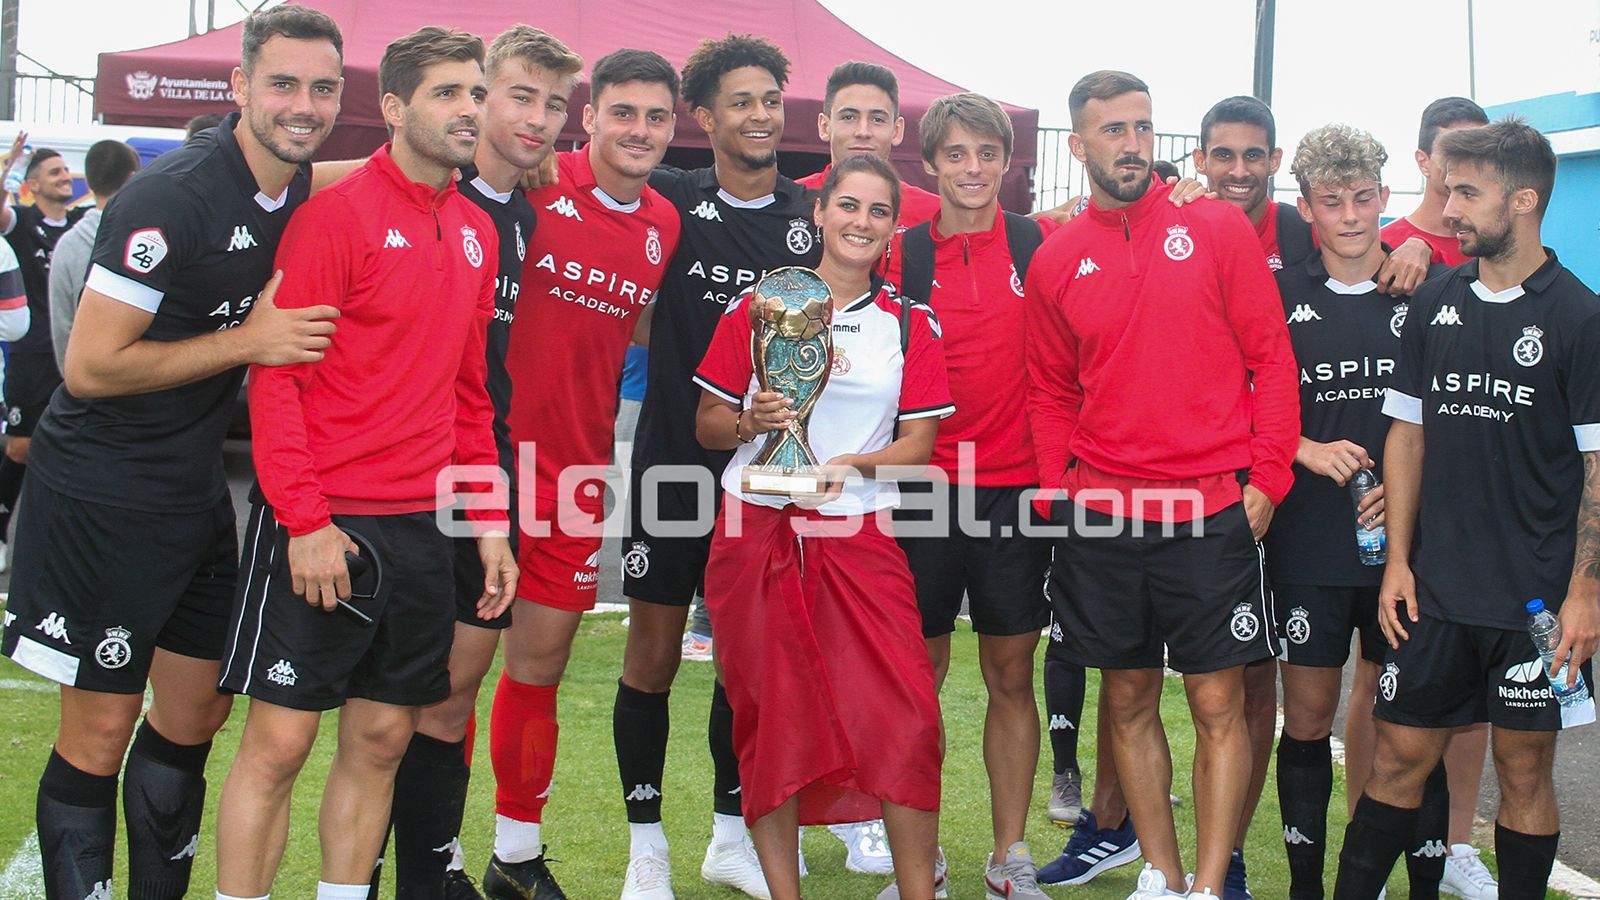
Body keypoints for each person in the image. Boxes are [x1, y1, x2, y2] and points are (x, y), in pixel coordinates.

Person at [0, 7, 344, 897]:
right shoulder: (171, 196)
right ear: (239, 88)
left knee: (196, 712)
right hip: (99, 496)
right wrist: (249, 342)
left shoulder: (288, 189)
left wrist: (493, 161)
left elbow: (368, 174)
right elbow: (90, 366)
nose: (302, 105)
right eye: (282, 83)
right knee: (101, 730)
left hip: (191, 495)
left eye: (322, 87)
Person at [212, 27, 516, 899]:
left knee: (382, 740)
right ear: (391, 108)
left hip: (421, 529)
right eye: (449, 93)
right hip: (322, 524)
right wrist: (304, 522)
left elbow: (469, 399)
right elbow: (276, 382)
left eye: (476, 91)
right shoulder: (335, 218)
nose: (470, 109)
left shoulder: (474, 232)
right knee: (278, 746)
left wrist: (486, 522)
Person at [304, 24, 570, 900]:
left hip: (474, 471)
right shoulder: (398, 195)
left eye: (551, 102)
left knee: (453, 689)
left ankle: (432, 870)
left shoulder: (523, 209)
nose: (531, 118)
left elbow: (474, 383)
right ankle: (371, 873)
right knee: (354, 718)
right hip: (376, 485)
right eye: (514, 95)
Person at [1026, 70, 1298, 900]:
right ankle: (1161, 872)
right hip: (1104, 517)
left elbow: (1271, 359)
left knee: (1220, 704)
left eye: (1142, 128)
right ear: (1079, 146)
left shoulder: (1214, 227)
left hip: (1210, 510)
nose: (1133, 145)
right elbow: (1049, 389)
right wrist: (1055, 493)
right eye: (1113, 131)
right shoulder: (1058, 257)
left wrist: (1270, 476)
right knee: (1130, 698)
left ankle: (1209, 886)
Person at [1335, 118, 1600, 898]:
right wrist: (1398, 565)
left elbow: (1597, 465)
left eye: (1467, 193)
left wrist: (1586, 593)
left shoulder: (1579, 318)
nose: (1449, 208)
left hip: (1536, 603)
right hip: (1435, 593)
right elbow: (1406, 437)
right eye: (1449, 188)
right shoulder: (1437, 299)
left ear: (1521, 200)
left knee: (1523, 773)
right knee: (1395, 760)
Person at [693, 152, 952, 900]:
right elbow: (709, 425)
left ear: (893, 227)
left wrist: (853, 466)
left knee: (905, 716)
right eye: (847, 206)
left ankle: (916, 893)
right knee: (770, 718)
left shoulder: (908, 320)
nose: (860, 223)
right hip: (756, 532)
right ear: (819, 214)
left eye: (877, 211)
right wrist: (751, 417)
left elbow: (919, 447)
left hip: (857, 533)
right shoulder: (755, 307)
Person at [614, 34, 820, 899]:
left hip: (772, 469)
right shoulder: (666, 195)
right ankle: (645, 846)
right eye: (741, 101)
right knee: (654, 654)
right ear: (704, 117)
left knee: (749, 657)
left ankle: (732, 833)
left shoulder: (813, 215)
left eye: (771, 99)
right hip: (673, 457)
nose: (761, 115)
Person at [484, 47, 681, 900]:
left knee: (541, 664)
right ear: (589, 116)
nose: (639, 131)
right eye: (623, 113)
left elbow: (632, 328)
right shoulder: (533, 178)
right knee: (448, 678)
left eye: (657, 117)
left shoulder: (664, 224)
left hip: (577, 470)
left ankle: (514, 855)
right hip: (480, 457)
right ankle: (423, 857)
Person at [1269, 124, 1452, 900]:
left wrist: (1416, 490)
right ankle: (1308, 888)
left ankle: (1402, 885)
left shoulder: (1430, 291)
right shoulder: (1279, 293)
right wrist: (1304, 447)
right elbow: (1241, 404)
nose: (1350, 215)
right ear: (1305, 205)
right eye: (1332, 201)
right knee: (1308, 721)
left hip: (1405, 551)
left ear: (1387, 197)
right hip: (1308, 542)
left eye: (1364, 198)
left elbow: (1459, 418)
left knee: (1408, 730)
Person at [885, 91, 1055, 900]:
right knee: (915, 682)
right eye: (956, 154)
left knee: (1011, 675)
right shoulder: (899, 253)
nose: (974, 168)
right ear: (931, 164)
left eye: (987, 153)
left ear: (1007, 161)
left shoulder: (1037, 242)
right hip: (920, 490)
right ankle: (923, 863)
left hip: (1016, 488)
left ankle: (1008, 852)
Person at [0, 142, 88, 568]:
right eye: (54, 172)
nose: (64, 176)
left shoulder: (79, 226)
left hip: (72, 352)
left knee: (70, 447)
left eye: (65, 170)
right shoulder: (22, 222)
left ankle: (55, 546)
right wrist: (8, 169)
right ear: (33, 185)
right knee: (20, 447)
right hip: (32, 354)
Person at [797, 61, 940, 234]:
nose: (863, 132)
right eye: (849, 117)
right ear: (824, 126)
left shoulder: (934, 214)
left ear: (897, 130)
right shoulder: (791, 202)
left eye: (877, 119)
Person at [48, 140, 141, 374]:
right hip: (143, 385)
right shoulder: (149, 241)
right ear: (132, 179)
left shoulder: (67, 245)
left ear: (89, 182)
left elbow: (62, 325)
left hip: (84, 387)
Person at [1380, 98, 1490, 269]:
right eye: (1454, 152)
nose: (1470, 164)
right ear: (1424, 162)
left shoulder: (1499, 247)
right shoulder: (1384, 247)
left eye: (1481, 152)